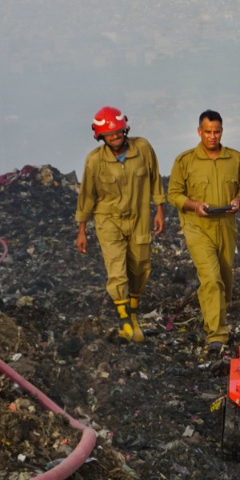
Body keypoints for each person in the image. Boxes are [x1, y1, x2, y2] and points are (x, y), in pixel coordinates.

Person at [167, 110, 240, 355]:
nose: (212, 136)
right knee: (211, 278)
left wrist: (239, 200)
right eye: (208, 132)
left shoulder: (235, 159)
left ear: (222, 131)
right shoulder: (185, 161)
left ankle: (214, 318)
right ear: (199, 132)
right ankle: (216, 335)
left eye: (216, 132)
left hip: (226, 225)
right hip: (197, 226)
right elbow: (173, 194)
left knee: (224, 279)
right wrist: (195, 205)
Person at [75, 106, 165, 342]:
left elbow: (155, 178)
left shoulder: (142, 148)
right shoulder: (95, 161)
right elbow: (87, 196)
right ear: (101, 137)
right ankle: (126, 321)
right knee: (117, 273)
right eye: (110, 134)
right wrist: (82, 230)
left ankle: (132, 313)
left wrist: (159, 210)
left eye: (118, 132)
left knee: (140, 267)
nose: (115, 137)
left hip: (139, 217)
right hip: (108, 221)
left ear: (125, 130)